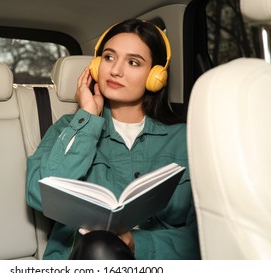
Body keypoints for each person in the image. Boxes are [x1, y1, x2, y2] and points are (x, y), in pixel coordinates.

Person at [26, 18, 200, 260]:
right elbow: (38, 194)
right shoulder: (69, 128)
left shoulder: (185, 138)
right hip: (82, 260)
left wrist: (137, 243)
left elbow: (204, 235)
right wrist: (87, 118)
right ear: (96, 66)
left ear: (155, 76)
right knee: (99, 247)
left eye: (133, 62)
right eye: (109, 57)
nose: (116, 70)